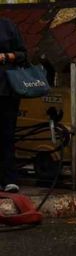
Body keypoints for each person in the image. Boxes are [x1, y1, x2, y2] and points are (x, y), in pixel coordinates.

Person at [0, 18, 28, 193]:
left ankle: (9, 179)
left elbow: (23, 55)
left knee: (7, 135)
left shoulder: (8, 26)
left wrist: (5, 56)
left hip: (7, 90)